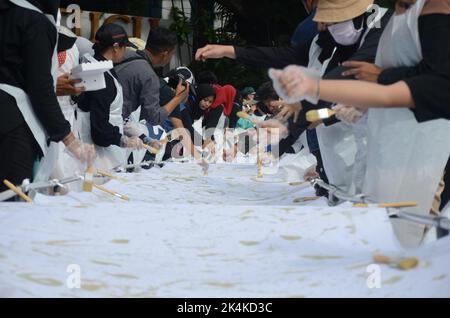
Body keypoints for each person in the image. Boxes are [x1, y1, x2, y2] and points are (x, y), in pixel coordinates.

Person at [268, 0, 450, 246]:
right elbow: (349, 102)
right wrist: (340, 107)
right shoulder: (394, 23)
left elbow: (432, 82)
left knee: (414, 224)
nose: (326, 28)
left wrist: (313, 92)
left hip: (421, 136)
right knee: (389, 223)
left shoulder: (424, 12)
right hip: (386, 141)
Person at [195, 0, 393, 195]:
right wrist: (230, 51)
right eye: (326, 21)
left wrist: (305, 110)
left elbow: (345, 76)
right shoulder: (325, 43)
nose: (327, 27)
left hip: (384, 144)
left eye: (333, 21)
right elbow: (284, 59)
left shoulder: (381, 27)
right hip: (337, 147)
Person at [0, 0, 95, 195]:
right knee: (13, 207)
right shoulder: (34, 22)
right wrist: (70, 140)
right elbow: (40, 87)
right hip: (12, 124)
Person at [76, 23, 144, 170]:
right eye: (124, 47)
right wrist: (122, 140)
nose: (125, 51)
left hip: (92, 149)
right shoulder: (101, 77)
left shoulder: (92, 64)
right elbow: (99, 127)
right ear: (115, 47)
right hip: (100, 157)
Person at [114, 27, 189, 127]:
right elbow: (153, 118)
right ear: (165, 55)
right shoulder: (150, 77)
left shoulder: (124, 54)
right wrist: (178, 98)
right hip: (108, 125)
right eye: (172, 54)